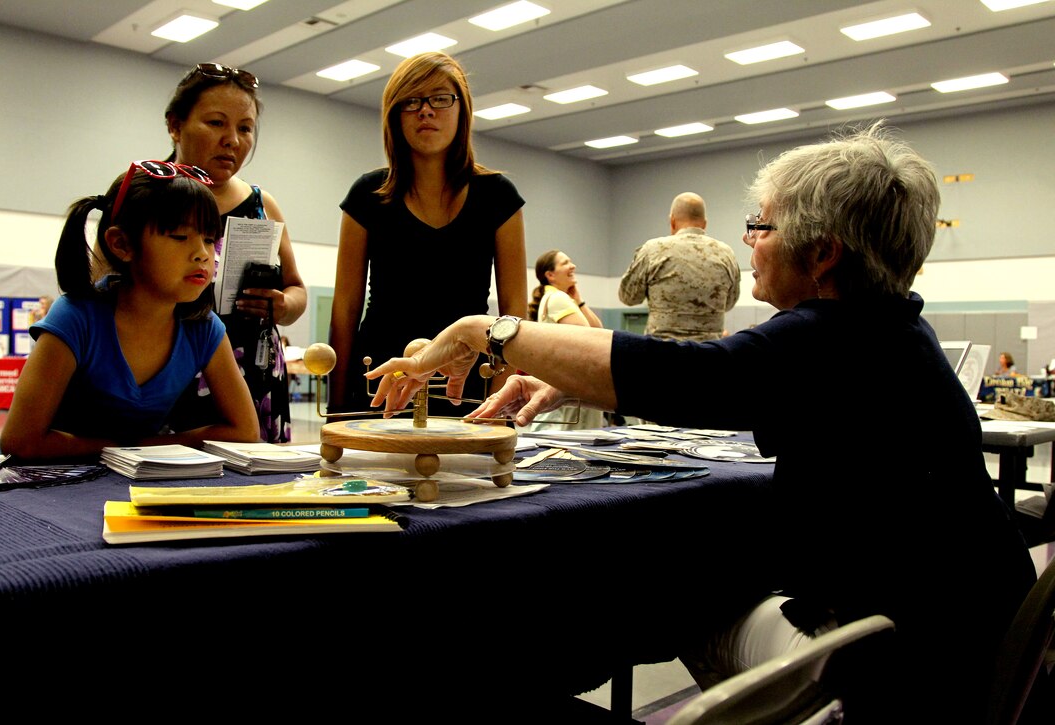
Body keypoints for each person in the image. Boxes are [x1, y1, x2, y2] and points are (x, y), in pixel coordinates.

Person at [364, 123, 1036, 722]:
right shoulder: (894, 331)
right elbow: (710, 375)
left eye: (762, 227)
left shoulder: (825, 338)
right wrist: (571, 371)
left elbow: (688, 375)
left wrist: (491, 330)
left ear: (823, 252)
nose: (750, 243)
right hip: (974, 636)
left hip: (907, 663)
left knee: (665, 596)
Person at [0, 161, 259, 459]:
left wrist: (135, 451)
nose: (202, 253)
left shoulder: (203, 327)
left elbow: (246, 432)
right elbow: (21, 442)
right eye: (179, 236)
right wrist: (136, 449)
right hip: (39, 482)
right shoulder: (75, 318)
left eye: (209, 239)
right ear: (122, 244)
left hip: (128, 479)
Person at [329, 51, 526, 416]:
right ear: (394, 113)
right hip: (380, 378)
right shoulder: (366, 196)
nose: (426, 110)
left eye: (440, 98)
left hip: (466, 379)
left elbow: (514, 316)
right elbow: (344, 312)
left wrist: (499, 405)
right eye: (412, 101)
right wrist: (338, 407)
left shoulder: (498, 196)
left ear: (461, 109)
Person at [163, 63, 307, 443]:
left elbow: (297, 290)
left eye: (245, 128)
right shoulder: (148, 198)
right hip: (172, 373)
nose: (232, 140)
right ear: (175, 125)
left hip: (257, 375)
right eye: (216, 123)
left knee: (262, 492)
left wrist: (283, 305)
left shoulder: (263, 204)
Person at [618, 191, 740, 341]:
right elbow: (729, 303)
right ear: (704, 224)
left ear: (672, 221)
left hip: (662, 355)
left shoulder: (654, 250)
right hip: (709, 357)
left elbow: (628, 297)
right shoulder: (726, 254)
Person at [526, 250, 605, 431]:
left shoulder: (555, 297)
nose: (573, 266)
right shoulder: (557, 298)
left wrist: (579, 301)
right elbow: (593, 339)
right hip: (571, 385)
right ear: (550, 275)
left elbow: (599, 330)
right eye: (565, 263)